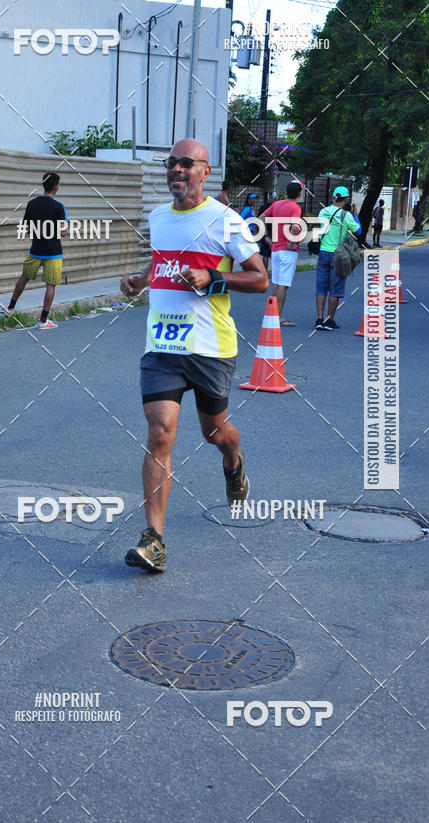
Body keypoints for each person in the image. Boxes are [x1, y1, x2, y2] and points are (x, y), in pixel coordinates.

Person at [120, 139, 269, 573]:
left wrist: (213, 277)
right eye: (172, 164)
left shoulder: (227, 221)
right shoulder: (159, 217)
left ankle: (233, 460)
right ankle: (154, 540)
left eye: (187, 163)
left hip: (210, 348)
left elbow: (259, 280)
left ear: (206, 171)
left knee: (215, 433)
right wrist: (140, 280)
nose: (177, 170)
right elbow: (161, 262)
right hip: (162, 346)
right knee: (160, 433)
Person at [3, 172, 67, 329]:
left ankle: (10, 308)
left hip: (36, 250)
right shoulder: (59, 207)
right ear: (56, 187)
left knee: (24, 277)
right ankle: (43, 321)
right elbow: (63, 232)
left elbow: (26, 229)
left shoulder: (32, 204)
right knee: (50, 285)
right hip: (53, 252)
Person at [314, 186, 361, 330]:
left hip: (323, 253)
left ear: (334, 197)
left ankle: (319, 319)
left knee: (321, 287)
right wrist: (355, 215)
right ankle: (330, 320)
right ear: (346, 200)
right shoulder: (346, 215)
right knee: (335, 288)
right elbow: (358, 231)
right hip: (338, 255)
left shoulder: (323, 211)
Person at [258, 180, 303, 325]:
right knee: (283, 284)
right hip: (288, 251)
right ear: (299, 194)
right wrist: (291, 242)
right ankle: (278, 317)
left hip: (275, 249)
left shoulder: (276, 204)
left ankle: (271, 315)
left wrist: (266, 236)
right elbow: (295, 228)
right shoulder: (295, 208)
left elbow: (260, 219)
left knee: (276, 283)